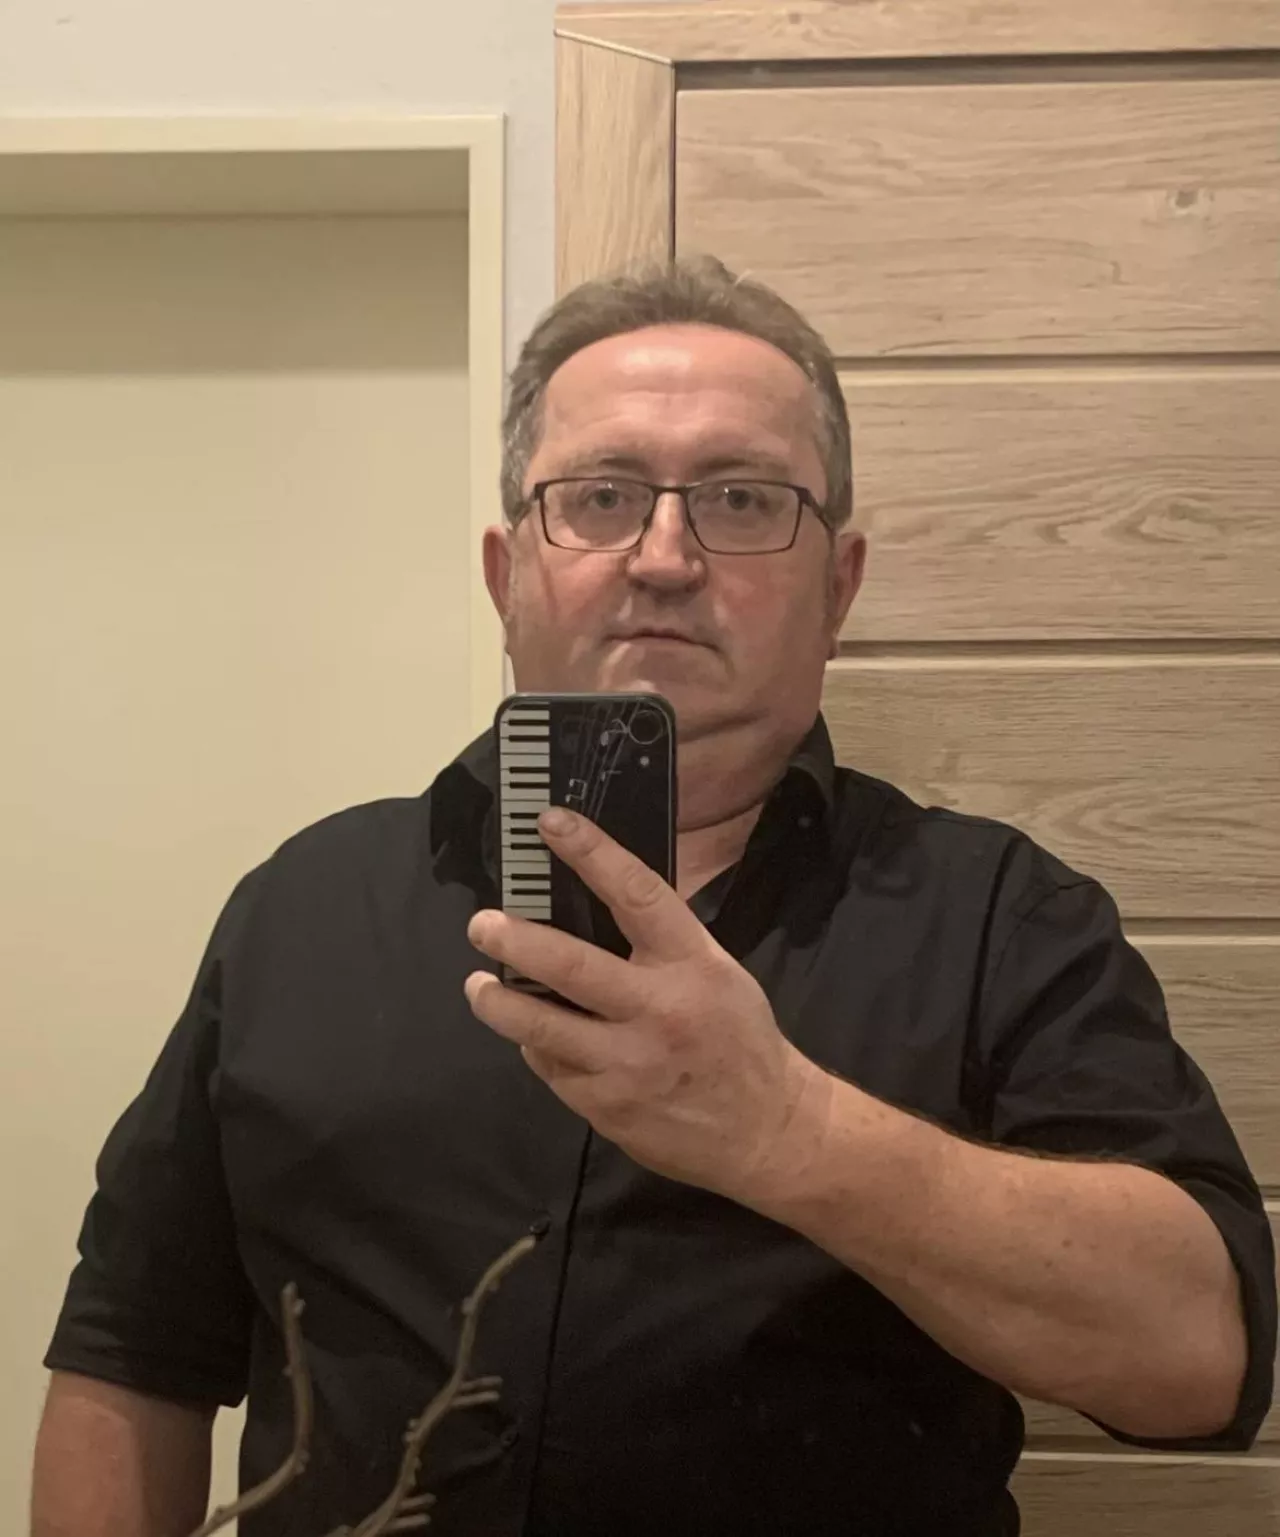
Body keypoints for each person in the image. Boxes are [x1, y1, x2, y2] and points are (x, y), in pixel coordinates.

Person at [32, 258, 1275, 1537]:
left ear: (838, 587)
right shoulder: (302, 909)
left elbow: (1197, 1358)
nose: (665, 556)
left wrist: (789, 1126)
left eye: (740, 499)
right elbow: (133, 1351)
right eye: (601, 497)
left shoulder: (997, 916)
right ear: (507, 575)